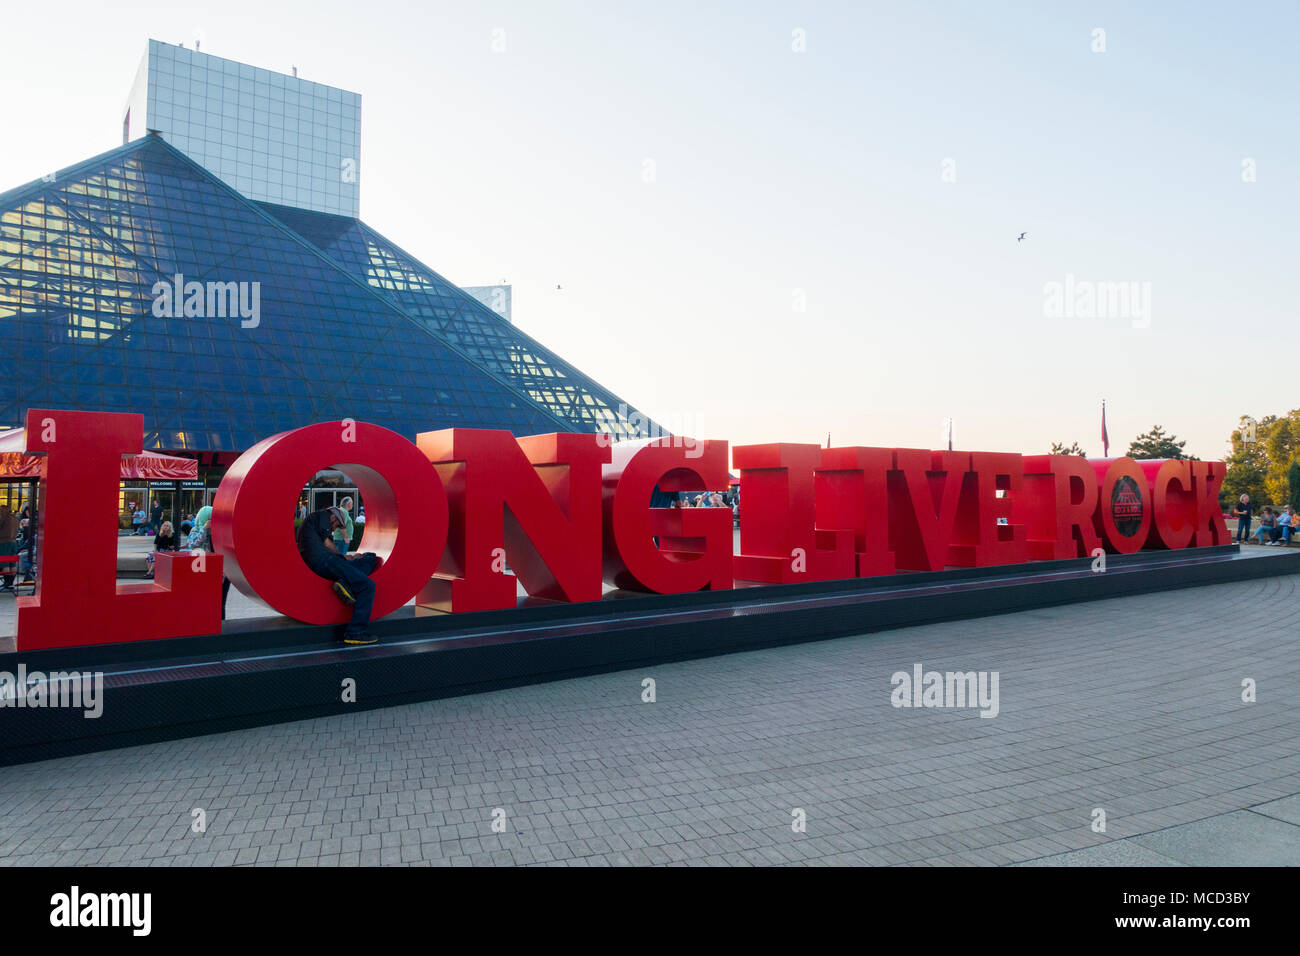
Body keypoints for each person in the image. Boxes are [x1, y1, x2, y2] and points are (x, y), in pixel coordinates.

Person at [297, 506, 381, 645]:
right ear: (333, 517)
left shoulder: (315, 522)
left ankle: (345, 583)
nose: (335, 529)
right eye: (337, 525)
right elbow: (328, 544)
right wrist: (344, 557)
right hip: (325, 561)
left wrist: (349, 558)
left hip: (327, 562)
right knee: (367, 585)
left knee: (369, 557)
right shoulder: (322, 515)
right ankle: (356, 632)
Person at [0, 505, 16, 589]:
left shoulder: (4, 517)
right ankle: (11, 583)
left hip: (4, 542)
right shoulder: (14, 518)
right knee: (12, 563)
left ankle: (6, 583)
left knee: (5, 563)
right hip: (13, 542)